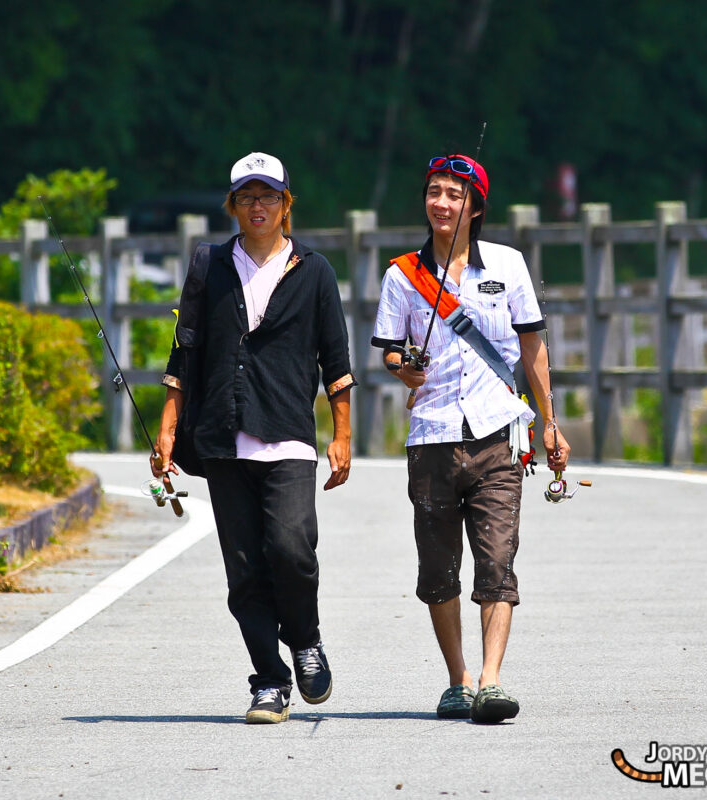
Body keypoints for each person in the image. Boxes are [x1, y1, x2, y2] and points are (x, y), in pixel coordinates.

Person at [152, 152, 356, 724]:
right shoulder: (209, 265)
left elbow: (336, 362)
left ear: (286, 204)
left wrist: (342, 436)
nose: (258, 206)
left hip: (289, 432)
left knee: (291, 548)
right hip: (221, 435)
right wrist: (168, 430)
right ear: (234, 206)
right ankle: (269, 681)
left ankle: (306, 641)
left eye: (268, 196)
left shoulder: (314, 271)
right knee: (243, 572)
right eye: (247, 197)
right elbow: (183, 354)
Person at [370, 154, 569, 723]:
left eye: (454, 195)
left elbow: (532, 348)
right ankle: (457, 679)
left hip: (498, 433)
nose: (441, 203)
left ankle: (491, 680)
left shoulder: (507, 265)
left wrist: (549, 420)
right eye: (434, 192)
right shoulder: (401, 274)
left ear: (475, 206)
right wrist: (400, 366)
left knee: (497, 559)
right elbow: (388, 349)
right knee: (437, 567)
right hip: (431, 434)